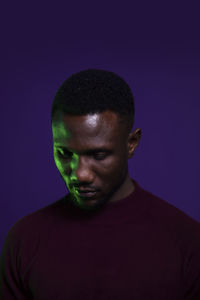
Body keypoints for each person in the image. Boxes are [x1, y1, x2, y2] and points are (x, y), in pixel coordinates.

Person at [0, 69, 200, 299]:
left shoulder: (188, 243)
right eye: (65, 153)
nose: (80, 174)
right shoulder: (24, 241)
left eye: (99, 155)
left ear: (132, 143)